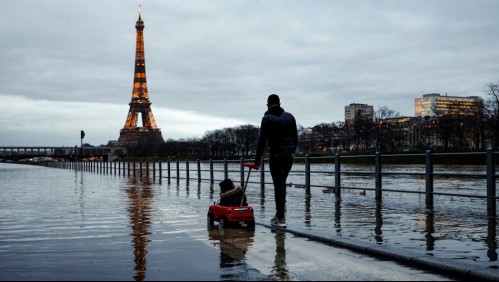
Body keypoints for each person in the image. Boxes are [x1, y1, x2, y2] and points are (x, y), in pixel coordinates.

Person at [253, 94, 298, 228]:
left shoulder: (267, 118)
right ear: (280, 103)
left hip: (276, 156)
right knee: (282, 184)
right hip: (288, 156)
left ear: (268, 104)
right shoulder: (290, 117)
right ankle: (280, 215)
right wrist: (292, 152)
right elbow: (295, 138)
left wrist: (257, 160)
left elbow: (262, 140)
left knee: (278, 185)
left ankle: (280, 217)